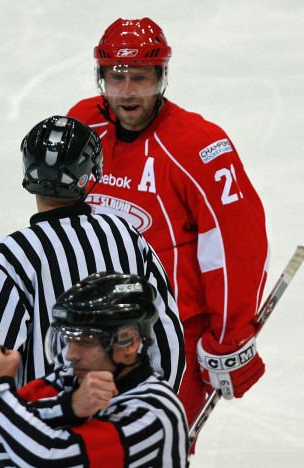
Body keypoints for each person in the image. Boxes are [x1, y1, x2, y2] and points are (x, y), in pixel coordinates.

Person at [0, 116, 185, 468]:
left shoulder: (15, 255)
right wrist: (152, 415)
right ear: (91, 175)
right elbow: (167, 334)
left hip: (40, 444)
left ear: (28, 175)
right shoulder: (126, 235)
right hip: (117, 445)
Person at [67, 18, 269, 429]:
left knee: (159, 463)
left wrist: (229, 338)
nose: (126, 92)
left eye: (140, 78)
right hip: (93, 333)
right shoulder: (83, 125)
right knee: (93, 458)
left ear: (162, 77)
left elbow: (235, 246)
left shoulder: (197, 145)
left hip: (171, 337)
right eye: (115, 78)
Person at [0, 271, 196, 468]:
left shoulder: (154, 413)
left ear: (129, 343)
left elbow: (50, 464)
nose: (71, 354)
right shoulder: (67, 381)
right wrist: (67, 408)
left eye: (86, 341)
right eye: (69, 339)